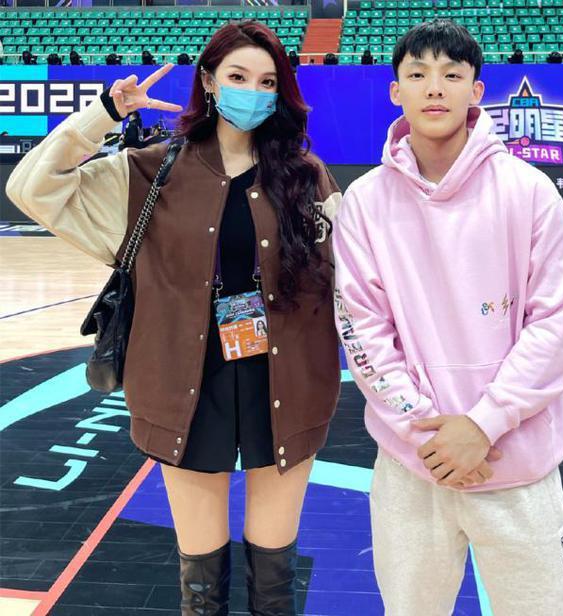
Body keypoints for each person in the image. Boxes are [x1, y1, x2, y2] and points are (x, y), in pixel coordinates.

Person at [7, 20, 341, 616]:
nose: (253, 92)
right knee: (200, 585)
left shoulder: (304, 176)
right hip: (186, 386)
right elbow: (32, 187)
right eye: (238, 76)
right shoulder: (149, 171)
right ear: (208, 81)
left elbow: (350, 275)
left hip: (285, 384)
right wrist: (104, 114)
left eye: (267, 82)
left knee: (274, 582)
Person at [333, 19, 563, 615]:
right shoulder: (365, 202)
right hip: (412, 464)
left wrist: (483, 425)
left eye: (451, 74)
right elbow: (363, 330)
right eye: (418, 74)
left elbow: (556, 326)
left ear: (476, 90)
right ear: (396, 90)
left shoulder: (529, 192)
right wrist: (428, 433)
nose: (434, 87)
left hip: (516, 461)